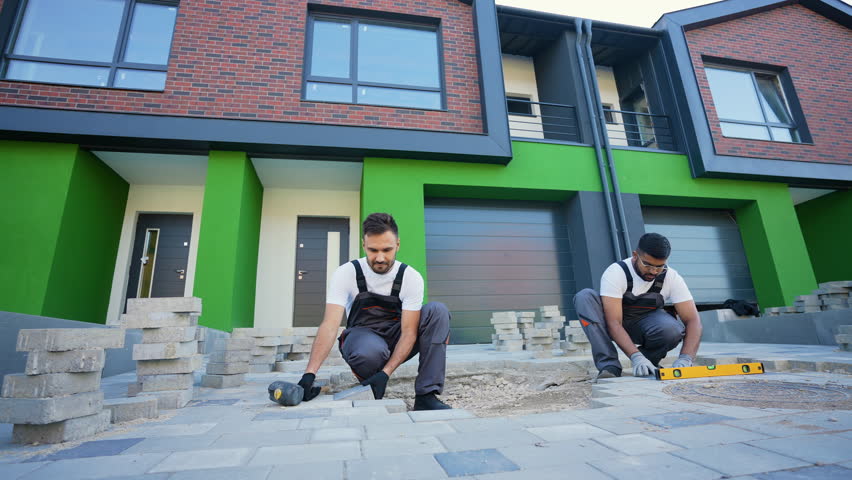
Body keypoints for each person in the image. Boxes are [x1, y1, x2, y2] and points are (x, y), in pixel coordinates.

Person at [296, 212, 452, 410]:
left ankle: (426, 396)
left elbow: (409, 333)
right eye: (373, 250)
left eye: (387, 250)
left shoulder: (410, 277)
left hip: (397, 335)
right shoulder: (347, 273)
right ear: (363, 245)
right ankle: (370, 379)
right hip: (364, 338)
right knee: (368, 352)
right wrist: (309, 375)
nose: (380, 258)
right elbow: (330, 325)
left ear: (398, 245)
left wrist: (386, 373)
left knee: (437, 311)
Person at [573, 233, 702, 379]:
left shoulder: (671, 277)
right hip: (613, 322)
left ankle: (649, 360)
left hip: (644, 324)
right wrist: (635, 356)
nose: (653, 271)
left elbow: (693, 320)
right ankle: (609, 365)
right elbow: (613, 322)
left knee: (672, 329)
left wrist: (686, 357)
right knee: (585, 297)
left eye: (659, 267)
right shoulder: (616, 272)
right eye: (648, 265)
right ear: (635, 255)